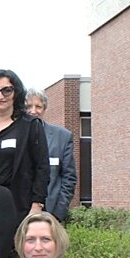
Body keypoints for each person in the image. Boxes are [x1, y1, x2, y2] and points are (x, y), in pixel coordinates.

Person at [0, 69, 50, 227]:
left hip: (20, 207)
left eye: (7, 90)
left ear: (16, 93)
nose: (0, 96)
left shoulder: (30, 126)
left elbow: (42, 168)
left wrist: (37, 206)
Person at [26, 88, 77, 221]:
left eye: (38, 106)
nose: (33, 111)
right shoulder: (15, 136)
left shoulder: (62, 137)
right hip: (19, 212)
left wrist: (57, 214)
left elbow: (69, 178)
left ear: (44, 109)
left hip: (50, 213)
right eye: (28, 106)